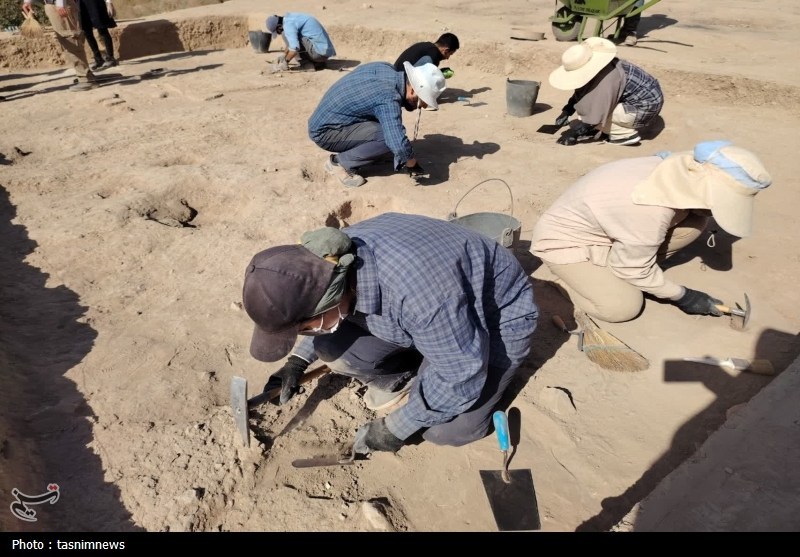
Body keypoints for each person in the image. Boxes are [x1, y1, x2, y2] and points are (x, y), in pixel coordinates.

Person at [242, 212, 538, 455]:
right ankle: (416, 367)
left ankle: (445, 366)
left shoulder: (422, 299)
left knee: (444, 431)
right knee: (331, 348)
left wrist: (396, 427)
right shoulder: (330, 259)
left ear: (331, 298)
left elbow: (463, 375)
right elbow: (312, 315)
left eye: (303, 328)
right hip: (438, 316)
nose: (305, 333)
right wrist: (296, 362)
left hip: (493, 318)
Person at [530, 140, 772, 324]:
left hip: (613, 229)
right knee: (622, 308)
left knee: (694, 224)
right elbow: (633, 265)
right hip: (566, 244)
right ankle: (563, 283)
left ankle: (627, 272)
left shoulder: (679, 168)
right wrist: (684, 296)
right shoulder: (647, 207)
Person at [307, 61, 446, 188]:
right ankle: (339, 163)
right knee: (388, 138)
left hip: (330, 121)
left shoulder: (385, 68)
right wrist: (412, 164)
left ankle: (368, 153)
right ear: (413, 90)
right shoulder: (388, 97)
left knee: (390, 132)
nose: (420, 106)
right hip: (325, 132)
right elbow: (395, 141)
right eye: (421, 101)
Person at [549, 36, 663, 146]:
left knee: (589, 112)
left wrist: (573, 134)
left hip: (645, 108)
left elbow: (597, 112)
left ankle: (623, 135)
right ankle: (610, 127)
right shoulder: (602, 69)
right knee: (585, 110)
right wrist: (567, 111)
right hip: (640, 101)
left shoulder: (607, 79)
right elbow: (581, 92)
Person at [21, 0, 96, 91]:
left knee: (70, 38)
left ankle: (85, 78)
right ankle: (86, 74)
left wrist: (60, 3)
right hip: (52, 4)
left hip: (60, 4)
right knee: (67, 39)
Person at [266, 13, 336, 71]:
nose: (279, 33)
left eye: (278, 32)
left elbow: (294, 48)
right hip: (323, 53)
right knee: (293, 37)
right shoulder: (290, 18)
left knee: (285, 35)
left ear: (279, 26)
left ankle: (306, 65)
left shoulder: (288, 25)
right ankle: (318, 63)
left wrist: (286, 61)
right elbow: (292, 41)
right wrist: (284, 55)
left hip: (319, 54)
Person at [77, 0, 118, 71]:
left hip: (96, 3)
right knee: (87, 32)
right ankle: (98, 59)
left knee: (102, 29)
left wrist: (108, 2)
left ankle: (110, 58)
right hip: (81, 4)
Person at [393, 32, 459, 71]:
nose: (448, 58)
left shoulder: (426, 46)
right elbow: (425, 80)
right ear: (446, 50)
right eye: (450, 54)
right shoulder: (434, 56)